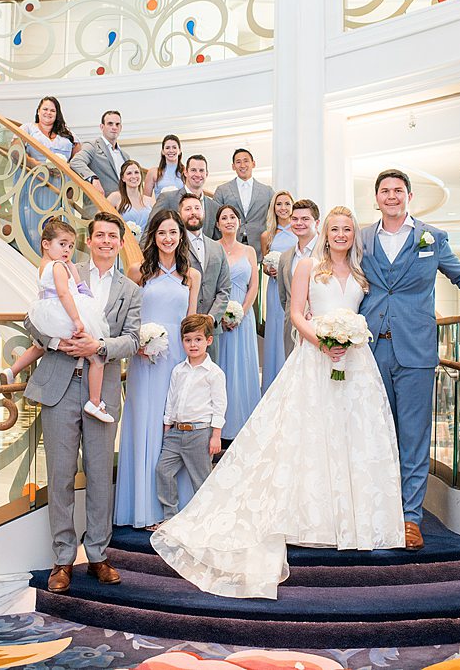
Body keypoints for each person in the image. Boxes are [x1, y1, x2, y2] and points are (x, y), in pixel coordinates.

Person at [151, 206, 404, 598]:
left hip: (355, 364)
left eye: (347, 229)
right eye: (334, 228)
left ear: (355, 234)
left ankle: (350, 519)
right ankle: (309, 517)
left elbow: (364, 314)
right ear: (325, 231)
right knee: (307, 436)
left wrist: (350, 339)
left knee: (352, 435)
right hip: (314, 359)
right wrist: (323, 342)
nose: (340, 234)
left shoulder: (360, 273)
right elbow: (295, 313)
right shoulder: (307, 266)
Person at [360, 168, 460, 551]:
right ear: (376, 198)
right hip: (370, 349)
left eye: (398, 190)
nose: (391, 196)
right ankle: (378, 512)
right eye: (384, 191)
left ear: (409, 196)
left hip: (415, 349)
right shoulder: (362, 238)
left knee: (413, 437)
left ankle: (410, 519)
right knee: (375, 435)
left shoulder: (432, 237)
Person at [24, 212, 141, 595]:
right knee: (59, 475)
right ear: (89, 241)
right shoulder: (65, 269)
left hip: (101, 391)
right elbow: (34, 320)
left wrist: (100, 347)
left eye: (113, 236)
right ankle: (61, 559)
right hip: (59, 384)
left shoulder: (130, 290)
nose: (106, 241)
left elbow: (135, 339)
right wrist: (58, 343)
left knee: (99, 476)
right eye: (100, 235)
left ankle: (98, 555)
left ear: (120, 243)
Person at [114, 209, 201, 529]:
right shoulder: (138, 271)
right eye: (162, 232)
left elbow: (191, 322)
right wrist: (138, 343)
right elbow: (126, 316)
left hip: (177, 359)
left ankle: (173, 508)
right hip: (144, 359)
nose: (168, 238)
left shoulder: (191, 275)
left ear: (181, 237)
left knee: (174, 427)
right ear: (154, 235)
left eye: (174, 233)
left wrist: (193, 359)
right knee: (145, 423)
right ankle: (142, 507)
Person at [1, 219, 112, 423]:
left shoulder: (43, 266)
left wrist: (70, 265)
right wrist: (77, 319)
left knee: (38, 346)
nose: (67, 250)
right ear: (46, 244)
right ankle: (95, 402)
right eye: (62, 244)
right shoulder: (58, 266)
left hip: (45, 311)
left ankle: (11, 370)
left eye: (70, 246)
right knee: (96, 358)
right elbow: (64, 293)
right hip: (64, 312)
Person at [155, 314, 227, 522]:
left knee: (201, 480)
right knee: (163, 471)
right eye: (188, 340)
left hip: (200, 433)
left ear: (208, 341)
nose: (193, 345)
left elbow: (219, 405)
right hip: (176, 433)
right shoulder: (178, 370)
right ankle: (171, 516)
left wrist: (216, 435)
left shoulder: (214, 373)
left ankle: (205, 519)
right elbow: (171, 398)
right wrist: (168, 426)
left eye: (198, 339)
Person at [215, 204, 260, 439]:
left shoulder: (249, 251)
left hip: (244, 315)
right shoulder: (214, 250)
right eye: (224, 218)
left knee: (243, 367)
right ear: (218, 224)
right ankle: (220, 430)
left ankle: (245, 427)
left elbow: (254, 285)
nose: (229, 221)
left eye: (233, 217)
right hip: (219, 316)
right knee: (222, 369)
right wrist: (220, 314)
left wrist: (241, 312)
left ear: (238, 222)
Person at [17, 96, 80, 257]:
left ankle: (60, 255)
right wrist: (38, 166)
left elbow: (79, 157)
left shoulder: (66, 133)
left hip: (60, 184)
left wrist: (67, 168)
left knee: (59, 220)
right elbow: (16, 152)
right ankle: (36, 255)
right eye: (45, 109)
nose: (48, 113)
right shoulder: (28, 128)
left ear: (57, 113)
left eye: (53, 110)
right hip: (36, 182)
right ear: (38, 111)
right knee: (36, 221)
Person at [178, 193, 231, 363]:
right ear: (180, 215)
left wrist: (211, 318)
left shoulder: (217, 248)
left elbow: (224, 289)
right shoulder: (174, 246)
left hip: (210, 330)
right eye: (188, 209)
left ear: (204, 213)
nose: (193, 212)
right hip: (182, 327)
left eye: (197, 208)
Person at [260, 190, 296, 392]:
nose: (283, 208)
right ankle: (273, 386)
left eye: (287, 204)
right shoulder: (268, 235)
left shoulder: (298, 230)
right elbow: (264, 265)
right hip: (274, 289)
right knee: (275, 331)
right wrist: (269, 268)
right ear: (273, 208)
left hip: (294, 286)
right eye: (279, 204)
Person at [213, 148, 274, 261]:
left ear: (253, 163)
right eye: (238, 162)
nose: (242, 165)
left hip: (258, 247)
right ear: (233, 166)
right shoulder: (222, 190)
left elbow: (275, 217)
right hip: (229, 247)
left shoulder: (267, 191)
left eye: (246, 161)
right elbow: (215, 219)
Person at [277, 198, 320, 358]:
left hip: (320, 329)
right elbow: (284, 298)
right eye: (294, 219)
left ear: (317, 222)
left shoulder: (328, 253)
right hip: (291, 329)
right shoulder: (285, 257)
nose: (299, 223)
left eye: (305, 219)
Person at [70, 111, 129, 218]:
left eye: (117, 124)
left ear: (121, 128)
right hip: (98, 209)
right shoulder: (92, 146)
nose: (114, 127)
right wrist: (93, 179)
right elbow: (76, 162)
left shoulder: (125, 156)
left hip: (122, 212)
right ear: (102, 127)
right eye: (110, 124)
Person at [149, 154, 218, 238]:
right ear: (185, 172)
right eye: (193, 170)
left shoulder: (214, 207)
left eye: (201, 170)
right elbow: (150, 229)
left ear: (206, 174)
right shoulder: (167, 198)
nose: (198, 174)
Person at [106, 160, 154, 240]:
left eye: (136, 172)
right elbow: (100, 220)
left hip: (147, 245)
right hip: (125, 244)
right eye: (129, 173)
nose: (134, 176)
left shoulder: (150, 201)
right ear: (123, 178)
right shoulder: (115, 197)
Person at [143, 135, 185, 199]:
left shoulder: (186, 172)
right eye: (167, 148)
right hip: (161, 208)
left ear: (179, 151)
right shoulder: (153, 172)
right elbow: (146, 200)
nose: (171, 150)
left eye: (174, 147)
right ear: (163, 151)